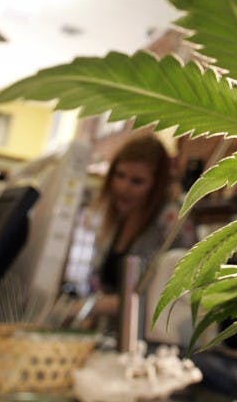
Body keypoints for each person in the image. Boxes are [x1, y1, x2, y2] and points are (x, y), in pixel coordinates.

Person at [77, 133, 183, 327]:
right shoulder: (117, 218)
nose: (123, 187)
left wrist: (87, 308)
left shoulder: (170, 223)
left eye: (137, 181)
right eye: (119, 175)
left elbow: (150, 297)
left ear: (156, 187)